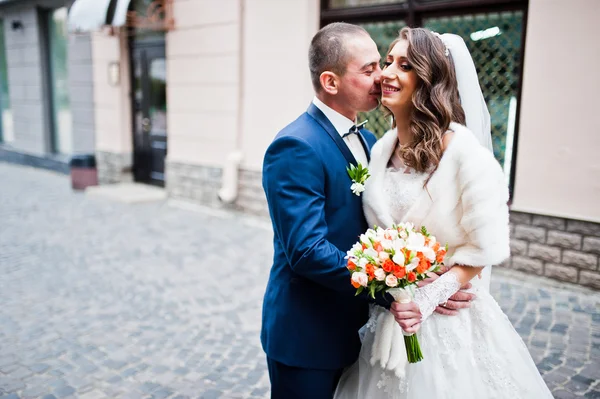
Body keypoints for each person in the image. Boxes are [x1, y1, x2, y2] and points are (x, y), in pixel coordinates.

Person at [334, 27, 553, 399]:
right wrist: (394, 289)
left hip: (448, 326)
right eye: (388, 62)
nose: (386, 73)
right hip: (389, 320)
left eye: (404, 65)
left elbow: (485, 248)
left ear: (428, 79)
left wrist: (429, 297)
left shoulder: (466, 156)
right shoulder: (380, 152)